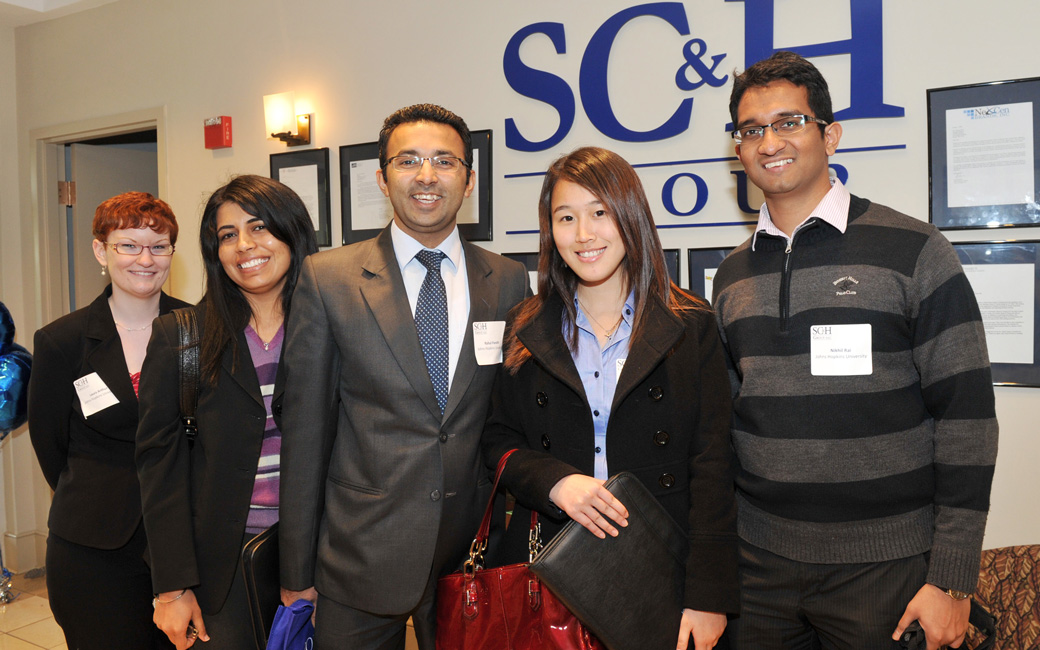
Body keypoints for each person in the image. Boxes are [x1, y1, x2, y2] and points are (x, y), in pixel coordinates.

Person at [712, 51, 998, 650]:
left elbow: (967, 421)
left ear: (830, 135)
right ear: (738, 149)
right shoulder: (732, 275)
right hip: (759, 570)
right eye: (752, 130)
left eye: (789, 122)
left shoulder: (915, 249)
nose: (770, 142)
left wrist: (951, 579)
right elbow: (728, 424)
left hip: (886, 569)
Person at [278, 103, 530, 650]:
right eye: (408, 160)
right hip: (358, 557)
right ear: (382, 177)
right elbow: (305, 432)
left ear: (468, 179)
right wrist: (296, 572)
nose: (426, 176)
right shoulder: (329, 279)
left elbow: (513, 416)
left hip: (471, 554)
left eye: (444, 161)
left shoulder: (508, 281)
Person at [481, 146, 739, 650]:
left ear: (630, 215)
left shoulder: (690, 323)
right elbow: (496, 439)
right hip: (552, 561)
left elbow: (713, 465)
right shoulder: (527, 324)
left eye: (600, 213)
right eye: (566, 217)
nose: (583, 234)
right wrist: (556, 483)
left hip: (658, 567)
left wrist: (709, 596)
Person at [136, 175, 317, 650]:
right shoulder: (182, 337)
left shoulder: (332, 326)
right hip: (223, 568)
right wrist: (171, 587)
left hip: (324, 557)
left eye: (259, 228)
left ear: (292, 233)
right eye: (228, 235)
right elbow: (161, 469)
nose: (244, 246)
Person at [27, 192, 185, 649]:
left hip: (181, 542)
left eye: (159, 246)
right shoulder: (62, 341)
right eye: (129, 245)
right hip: (94, 548)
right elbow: (51, 446)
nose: (146, 259)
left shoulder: (196, 325)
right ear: (101, 251)